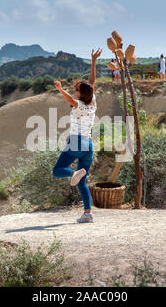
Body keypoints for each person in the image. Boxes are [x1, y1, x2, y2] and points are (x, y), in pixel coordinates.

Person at [52, 48, 102, 223]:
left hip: (77, 142)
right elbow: (92, 82)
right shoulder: (92, 102)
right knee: (82, 182)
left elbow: (71, 101)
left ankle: (74, 172)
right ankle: (88, 214)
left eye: (77, 90)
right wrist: (93, 61)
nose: (76, 92)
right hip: (88, 146)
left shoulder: (79, 104)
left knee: (57, 171)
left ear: (81, 94)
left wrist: (60, 88)